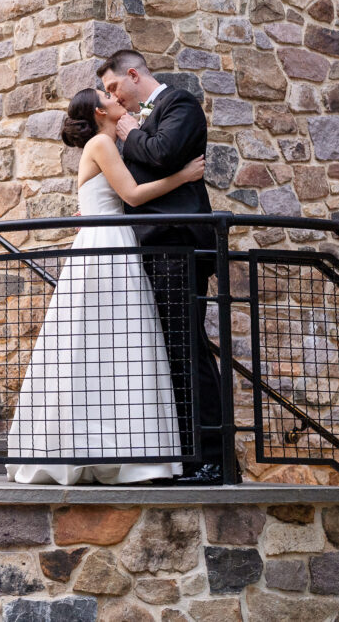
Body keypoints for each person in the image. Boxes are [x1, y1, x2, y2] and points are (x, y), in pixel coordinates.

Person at [5, 87, 205, 486]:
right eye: (108, 97)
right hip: (107, 243)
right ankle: (101, 449)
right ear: (99, 111)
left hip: (113, 240)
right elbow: (131, 195)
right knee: (105, 339)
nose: (117, 99)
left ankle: (120, 447)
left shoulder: (109, 145)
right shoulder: (101, 143)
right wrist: (183, 177)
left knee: (112, 342)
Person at [97, 48, 225, 485]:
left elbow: (164, 154)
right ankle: (182, 457)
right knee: (167, 352)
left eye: (115, 86)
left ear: (133, 74)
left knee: (188, 349)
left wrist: (132, 133)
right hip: (150, 248)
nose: (115, 97)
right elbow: (139, 185)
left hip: (178, 245)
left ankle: (213, 459)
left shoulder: (180, 104)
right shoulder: (134, 124)